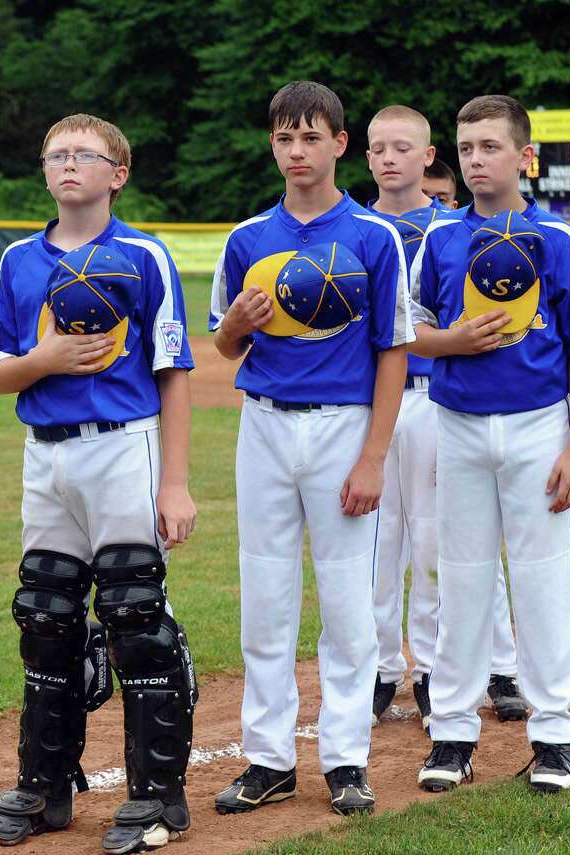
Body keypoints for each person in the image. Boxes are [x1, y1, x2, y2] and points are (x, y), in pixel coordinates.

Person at [0, 113, 198, 854]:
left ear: (117, 173)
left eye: (85, 154)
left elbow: (174, 375)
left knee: (135, 615)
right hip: (47, 454)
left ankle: (157, 793)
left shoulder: (143, 255)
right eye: (56, 154)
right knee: (46, 616)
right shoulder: (15, 260)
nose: (69, 164)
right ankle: (47, 783)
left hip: (122, 447)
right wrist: (47, 358)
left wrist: (174, 484)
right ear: (44, 171)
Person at [210, 81, 412, 817]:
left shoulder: (371, 235)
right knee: (265, 598)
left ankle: (345, 758)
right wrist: (234, 320)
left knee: (348, 603)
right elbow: (226, 343)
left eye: (311, 137)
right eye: (284, 139)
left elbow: (394, 350)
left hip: (343, 427)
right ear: (273, 146)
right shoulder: (246, 238)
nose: (297, 151)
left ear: (339, 144)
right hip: (263, 423)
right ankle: (268, 759)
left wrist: (373, 457)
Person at [411, 94, 570, 794]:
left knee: (544, 577)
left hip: (537, 423)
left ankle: (554, 734)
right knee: (461, 579)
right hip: (458, 425)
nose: (476, 159)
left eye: (490, 147)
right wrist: (451, 341)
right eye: (466, 148)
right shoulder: (440, 239)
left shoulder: (556, 239)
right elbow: (410, 332)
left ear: (523, 156)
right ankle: (454, 730)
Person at [364, 105, 527, 732]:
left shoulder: (450, 227)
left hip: (437, 395)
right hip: (376, 402)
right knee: (380, 543)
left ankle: (481, 667)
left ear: (428, 156)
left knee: (446, 539)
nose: (388, 159)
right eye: (378, 149)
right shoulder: (353, 227)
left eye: (401, 148)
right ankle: (383, 668)